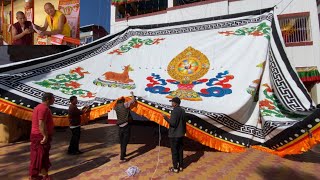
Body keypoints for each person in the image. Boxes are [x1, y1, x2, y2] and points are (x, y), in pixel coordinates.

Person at [29, 92, 55, 180]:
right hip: (39, 136)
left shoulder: (40, 107)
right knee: (39, 157)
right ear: (48, 99)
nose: (54, 100)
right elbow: (41, 123)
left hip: (38, 135)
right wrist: (45, 136)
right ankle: (36, 177)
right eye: (53, 98)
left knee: (41, 157)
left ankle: (41, 176)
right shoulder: (43, 108)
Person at [162, 97, 186, 173]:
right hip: (181, 134)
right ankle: (181, 166)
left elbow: (173, 123)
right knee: (180, 150)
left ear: (175, 103)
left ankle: (175, 168)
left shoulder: (174, 111)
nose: (171, 103)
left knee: (174, 151)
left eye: (172, 102)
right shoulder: (182, 111)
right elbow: (184, 123)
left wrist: (165, 118)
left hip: (174, 135)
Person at [114, 91, 135, 162]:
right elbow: (133, 100)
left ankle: (124, 153)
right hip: (126, 125)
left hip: (120, 126)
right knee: (125, 142)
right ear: (123, 100)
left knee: (122, 141)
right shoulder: (125, 104)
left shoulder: (115, 107)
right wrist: (132, 94)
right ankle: (122, 157)